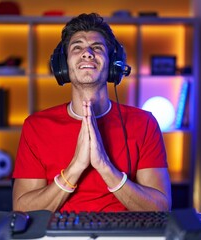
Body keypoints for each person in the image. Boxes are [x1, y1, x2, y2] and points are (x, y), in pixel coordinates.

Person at [12, 13, 172, 213]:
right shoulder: (36, 126)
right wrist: (75, 168)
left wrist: (104, 166)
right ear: (62, 65)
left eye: (97, 48)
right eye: (77, 47)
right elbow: (22, 210)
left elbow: (160, 208)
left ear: (114, 65)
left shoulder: (144, 123)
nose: (87, 53)